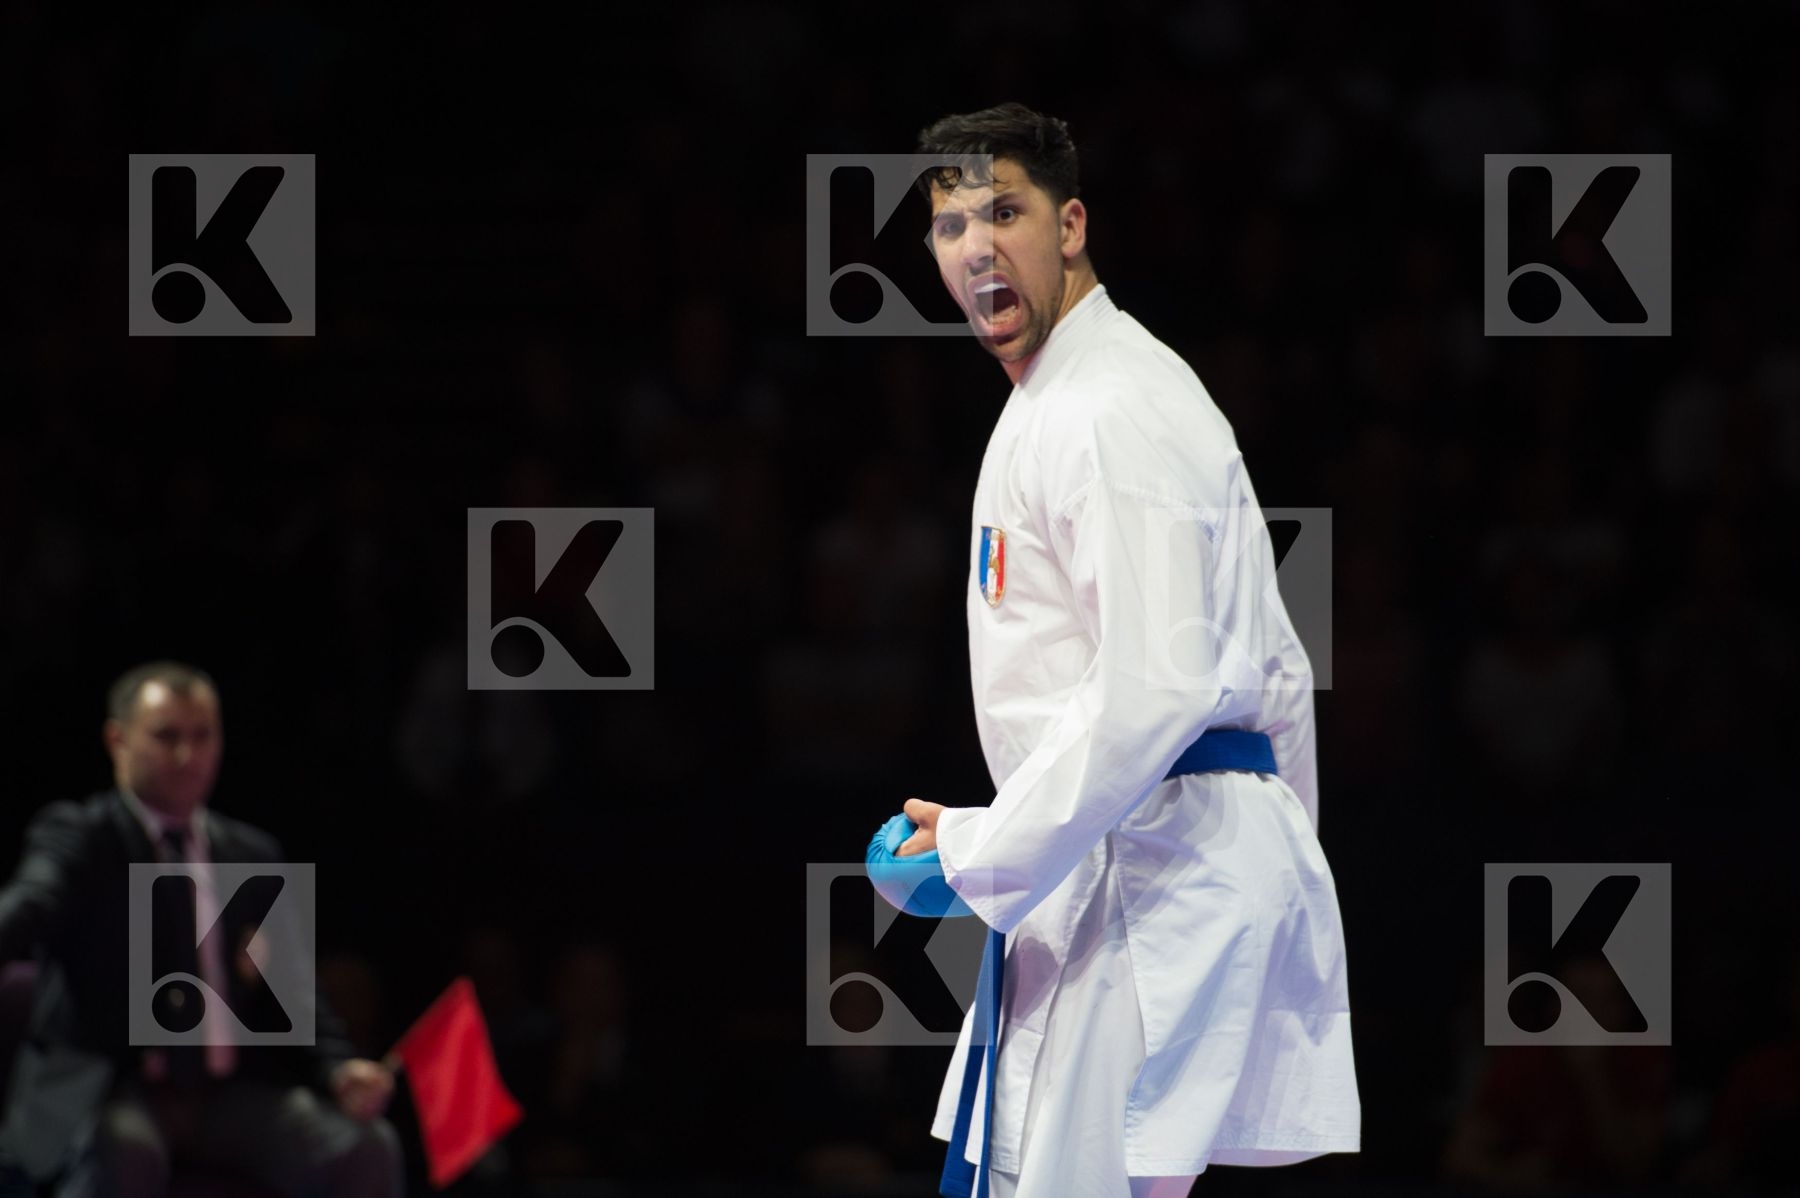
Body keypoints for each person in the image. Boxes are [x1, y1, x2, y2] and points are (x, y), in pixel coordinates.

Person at [891, 104, 1361, 1198]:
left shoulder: (1105, 406)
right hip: (1150, 859)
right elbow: (1282, 677)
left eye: (1005, 213)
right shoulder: (1088, 392)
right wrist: (1275, 862)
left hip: (1149, 868)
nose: (978, 247)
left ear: (1071, 226)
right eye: (953, 227)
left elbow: (1156, 685)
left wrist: (983, 849)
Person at [0, 661, 403, 1197]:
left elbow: (293, 989)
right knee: (125, 1151)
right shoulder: (84, 836)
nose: (187, 756)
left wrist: (337, 1068)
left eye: (202, 736)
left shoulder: (251, 854)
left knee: (365, 1147)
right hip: (117, 1085)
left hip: (226, 1094)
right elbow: (30, 901)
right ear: (118, 740)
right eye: (166, 737)